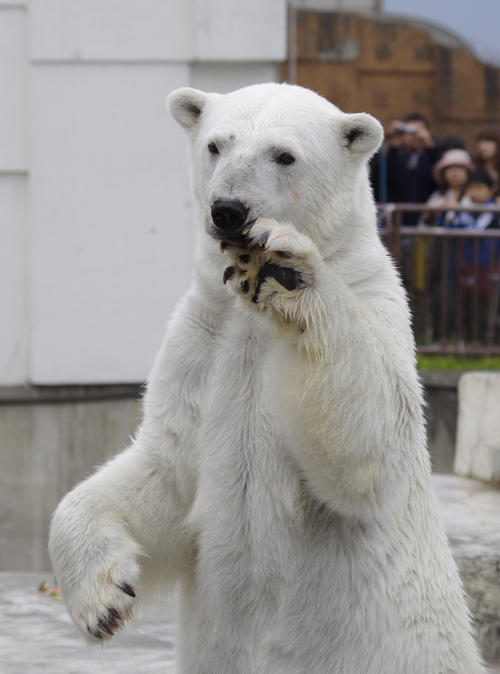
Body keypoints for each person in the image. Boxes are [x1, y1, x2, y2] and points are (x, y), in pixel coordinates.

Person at [449, 170, 500, 340]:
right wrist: (449, 212)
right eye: (471, 188)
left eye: (479, 188)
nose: (475, 192)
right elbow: (448, 232)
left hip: (492, 269)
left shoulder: (496, 213)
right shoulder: (461, 213)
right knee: (465, 307)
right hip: (466, 269)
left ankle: (487, 343)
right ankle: (467, 341)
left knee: (488, 309)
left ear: (491, 190)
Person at [385, 113, 442, 224]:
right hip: (397, 220)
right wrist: (393, 144)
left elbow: (442, 177)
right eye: (409, 131)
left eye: (418, 131)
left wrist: (431, 146)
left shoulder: (432, 155)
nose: (414, 135)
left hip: (426, 220)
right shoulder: (395, 155)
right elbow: (382, 177)